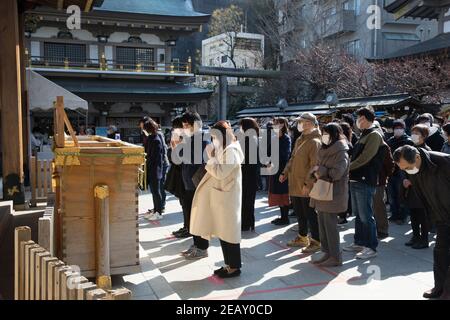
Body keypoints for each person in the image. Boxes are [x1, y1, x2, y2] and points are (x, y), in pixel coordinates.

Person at [188, 121, 244, 279]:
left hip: (227, 197)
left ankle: (234, 267)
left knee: (229, 233)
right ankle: (228, 265)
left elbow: (220, 173)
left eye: (214, 136)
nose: (213, 139)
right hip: (221, 196)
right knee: (223, 232)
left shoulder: (232, 150)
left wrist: (211, 158)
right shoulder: (225, 148)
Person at [393, 146, 450, 299]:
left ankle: (447, 292)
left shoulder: (444, 162)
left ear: (417, 157)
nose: (407, 171)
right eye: (403, 168)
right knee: (440, 253)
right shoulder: (414, 170)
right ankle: (439, 288)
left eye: (408, 167)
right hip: (441, 217)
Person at [344, 107, 385, 260]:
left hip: (365, 178)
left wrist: (347, 168)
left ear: (365, 119)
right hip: (356, 178)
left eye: (359, 118)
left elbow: (365, 158)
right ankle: (359, 242)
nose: (357, 121)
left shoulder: (374, 134)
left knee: (366, 215)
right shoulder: (365, 134)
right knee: (359, 215)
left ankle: (371, 246)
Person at [310, 123, 349, 267]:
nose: (323, 136)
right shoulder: (323, 149)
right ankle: (326, 252)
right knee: (322, 224)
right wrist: (315, 171)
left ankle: (335, 256)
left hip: (333, 192)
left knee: (330, 226)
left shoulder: (341, 151)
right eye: (323, 133)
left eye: (326, 133)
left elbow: (337, 173)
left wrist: (321, 170)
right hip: (322, 190)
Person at [281, 113, 321, 253]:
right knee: (299, 212)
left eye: (302, 122)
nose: (299, 124)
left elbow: (315, 166)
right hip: (295, 182)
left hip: (305, 185)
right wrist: (285, 172)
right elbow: (292, 158)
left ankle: (316, 240)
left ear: (309, 123)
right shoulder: (300, 139)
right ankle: (302, 236)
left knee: (310, 213)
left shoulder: (315, 141)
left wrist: (308, 184)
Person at [179, 111, 210, 259]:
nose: (185, 128)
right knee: (192, 216)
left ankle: (203, 247)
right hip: (188, 182)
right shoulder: (189, 138)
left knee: (200, 216)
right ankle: (196, 243)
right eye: (184, 125)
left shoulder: (204, 138)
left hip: (198, 182)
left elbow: (200, 158)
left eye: (187, 125)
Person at [401, 124, 432, 249]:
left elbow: (427, 171)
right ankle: (415, 236)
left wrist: (414, 181)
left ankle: (424, 239)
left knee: (422, 215)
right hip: (410, 186)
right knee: (413, 213)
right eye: (413, 132)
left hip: (422, 188)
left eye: (417, 133)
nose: (414, 135)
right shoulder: (410, 149)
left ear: (424, 136)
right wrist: (404, 179)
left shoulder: (427, 150)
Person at [386, 119, 414, 225]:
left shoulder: (408, 141)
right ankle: (394, 214)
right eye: (396, 128)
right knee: (392, 195)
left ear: (404, 128)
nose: (398, 130)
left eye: (400, 128)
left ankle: (402, 216)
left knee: (401, 195)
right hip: (391, 171)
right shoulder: (390, 140)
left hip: (403, 171)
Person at [165, 117, 189, 238]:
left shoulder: (187, 140)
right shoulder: (178, 139)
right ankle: (186, 226)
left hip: (185, 177)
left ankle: (189, 228)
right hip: (179, 176)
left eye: (176, 127)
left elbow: (179, 160)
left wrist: (175, 146)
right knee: (183, 204)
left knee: (186, 204)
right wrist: (173, 146)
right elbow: (171, 157)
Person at [268, 117, 292, 226]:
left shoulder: (286, 138)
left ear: (282, 125)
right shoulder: (274, 138)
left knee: (283, 194)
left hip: (283, 169)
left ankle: (285, 217)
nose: (273, 126)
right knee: (277, 194)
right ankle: (282, 216)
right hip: (274, 169)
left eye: (276, 124)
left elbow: (285, 155)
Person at [238, 118, 260, 231]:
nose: (240, 128)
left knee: (246, 200)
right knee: (248, 201)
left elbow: (244, 158)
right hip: (251, 174)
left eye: (241, 126)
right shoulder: (253, 137)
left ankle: (246, 224)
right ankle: (249, 223)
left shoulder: (249, 139)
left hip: (247, 174)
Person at [143, 118, 164, 221]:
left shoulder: (156, 140)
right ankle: (155, 210)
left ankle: (159, 212)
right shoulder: (152, 138)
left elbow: (154, 157)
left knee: (156, 192)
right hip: (151, 168)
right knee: (154, 192)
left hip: (155, 169)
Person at [373, 142, 394, 239]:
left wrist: (385, 176)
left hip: (378, 181)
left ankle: (382, 230)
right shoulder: (364, 142)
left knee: (378, 205)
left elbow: (390, 164)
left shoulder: (383, 146)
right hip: (365, 180)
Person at [337, 122, 354, 224]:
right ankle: (344, 213)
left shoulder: (344, 142)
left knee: (343, 194)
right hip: (345, 171)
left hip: (343, 172)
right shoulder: (346, 140)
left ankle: (343, 215)